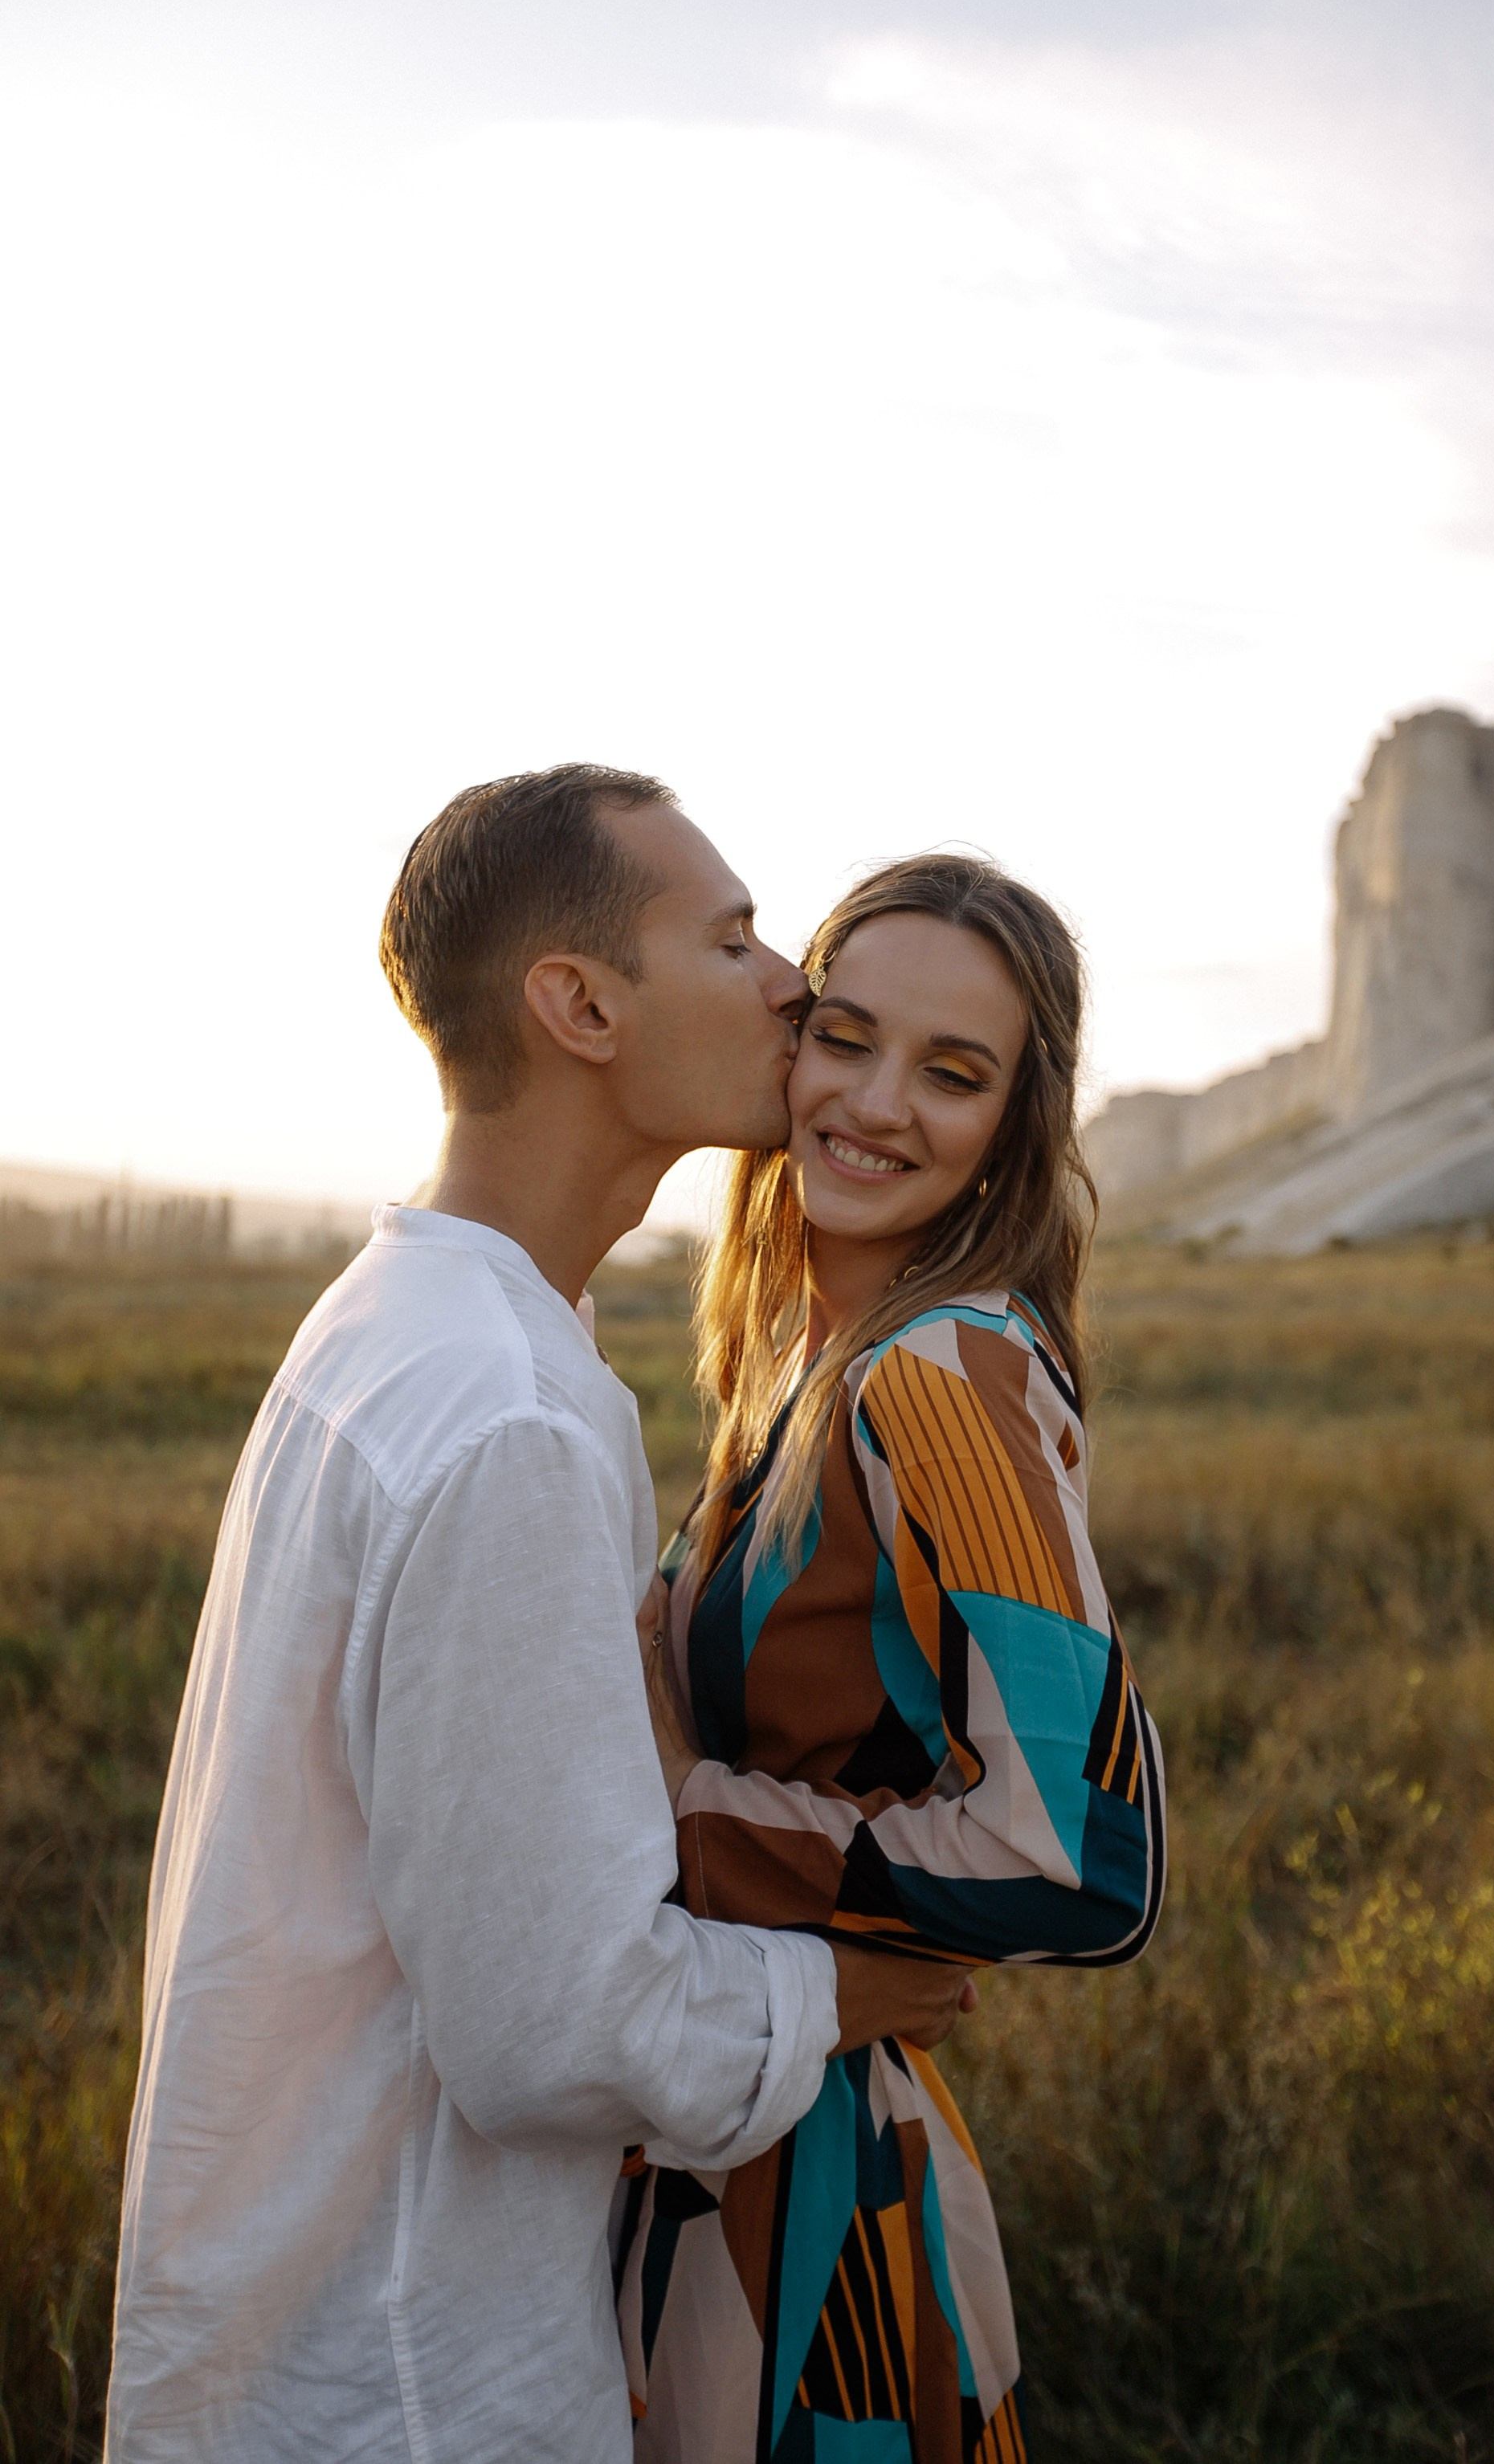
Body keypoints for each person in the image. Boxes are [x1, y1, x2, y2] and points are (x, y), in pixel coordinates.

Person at [104, 767, 975, 2464]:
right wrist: (852, 1994)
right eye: (728, 941)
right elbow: (548, 2033)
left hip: (309, 2336)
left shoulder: (404, 1322)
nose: (790, 978)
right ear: (579, 1005)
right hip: (401, 2384)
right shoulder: (499, 1409)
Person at [620, 855, 1167, 2463]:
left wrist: (686, 1821)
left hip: (813, 2215)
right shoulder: (807, 1348)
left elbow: (1085, 1855)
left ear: (1016, 1118)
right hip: (734, 2125)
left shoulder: (945, 1372)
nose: (870, 1102)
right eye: (842, 1035)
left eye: (952, 1072)